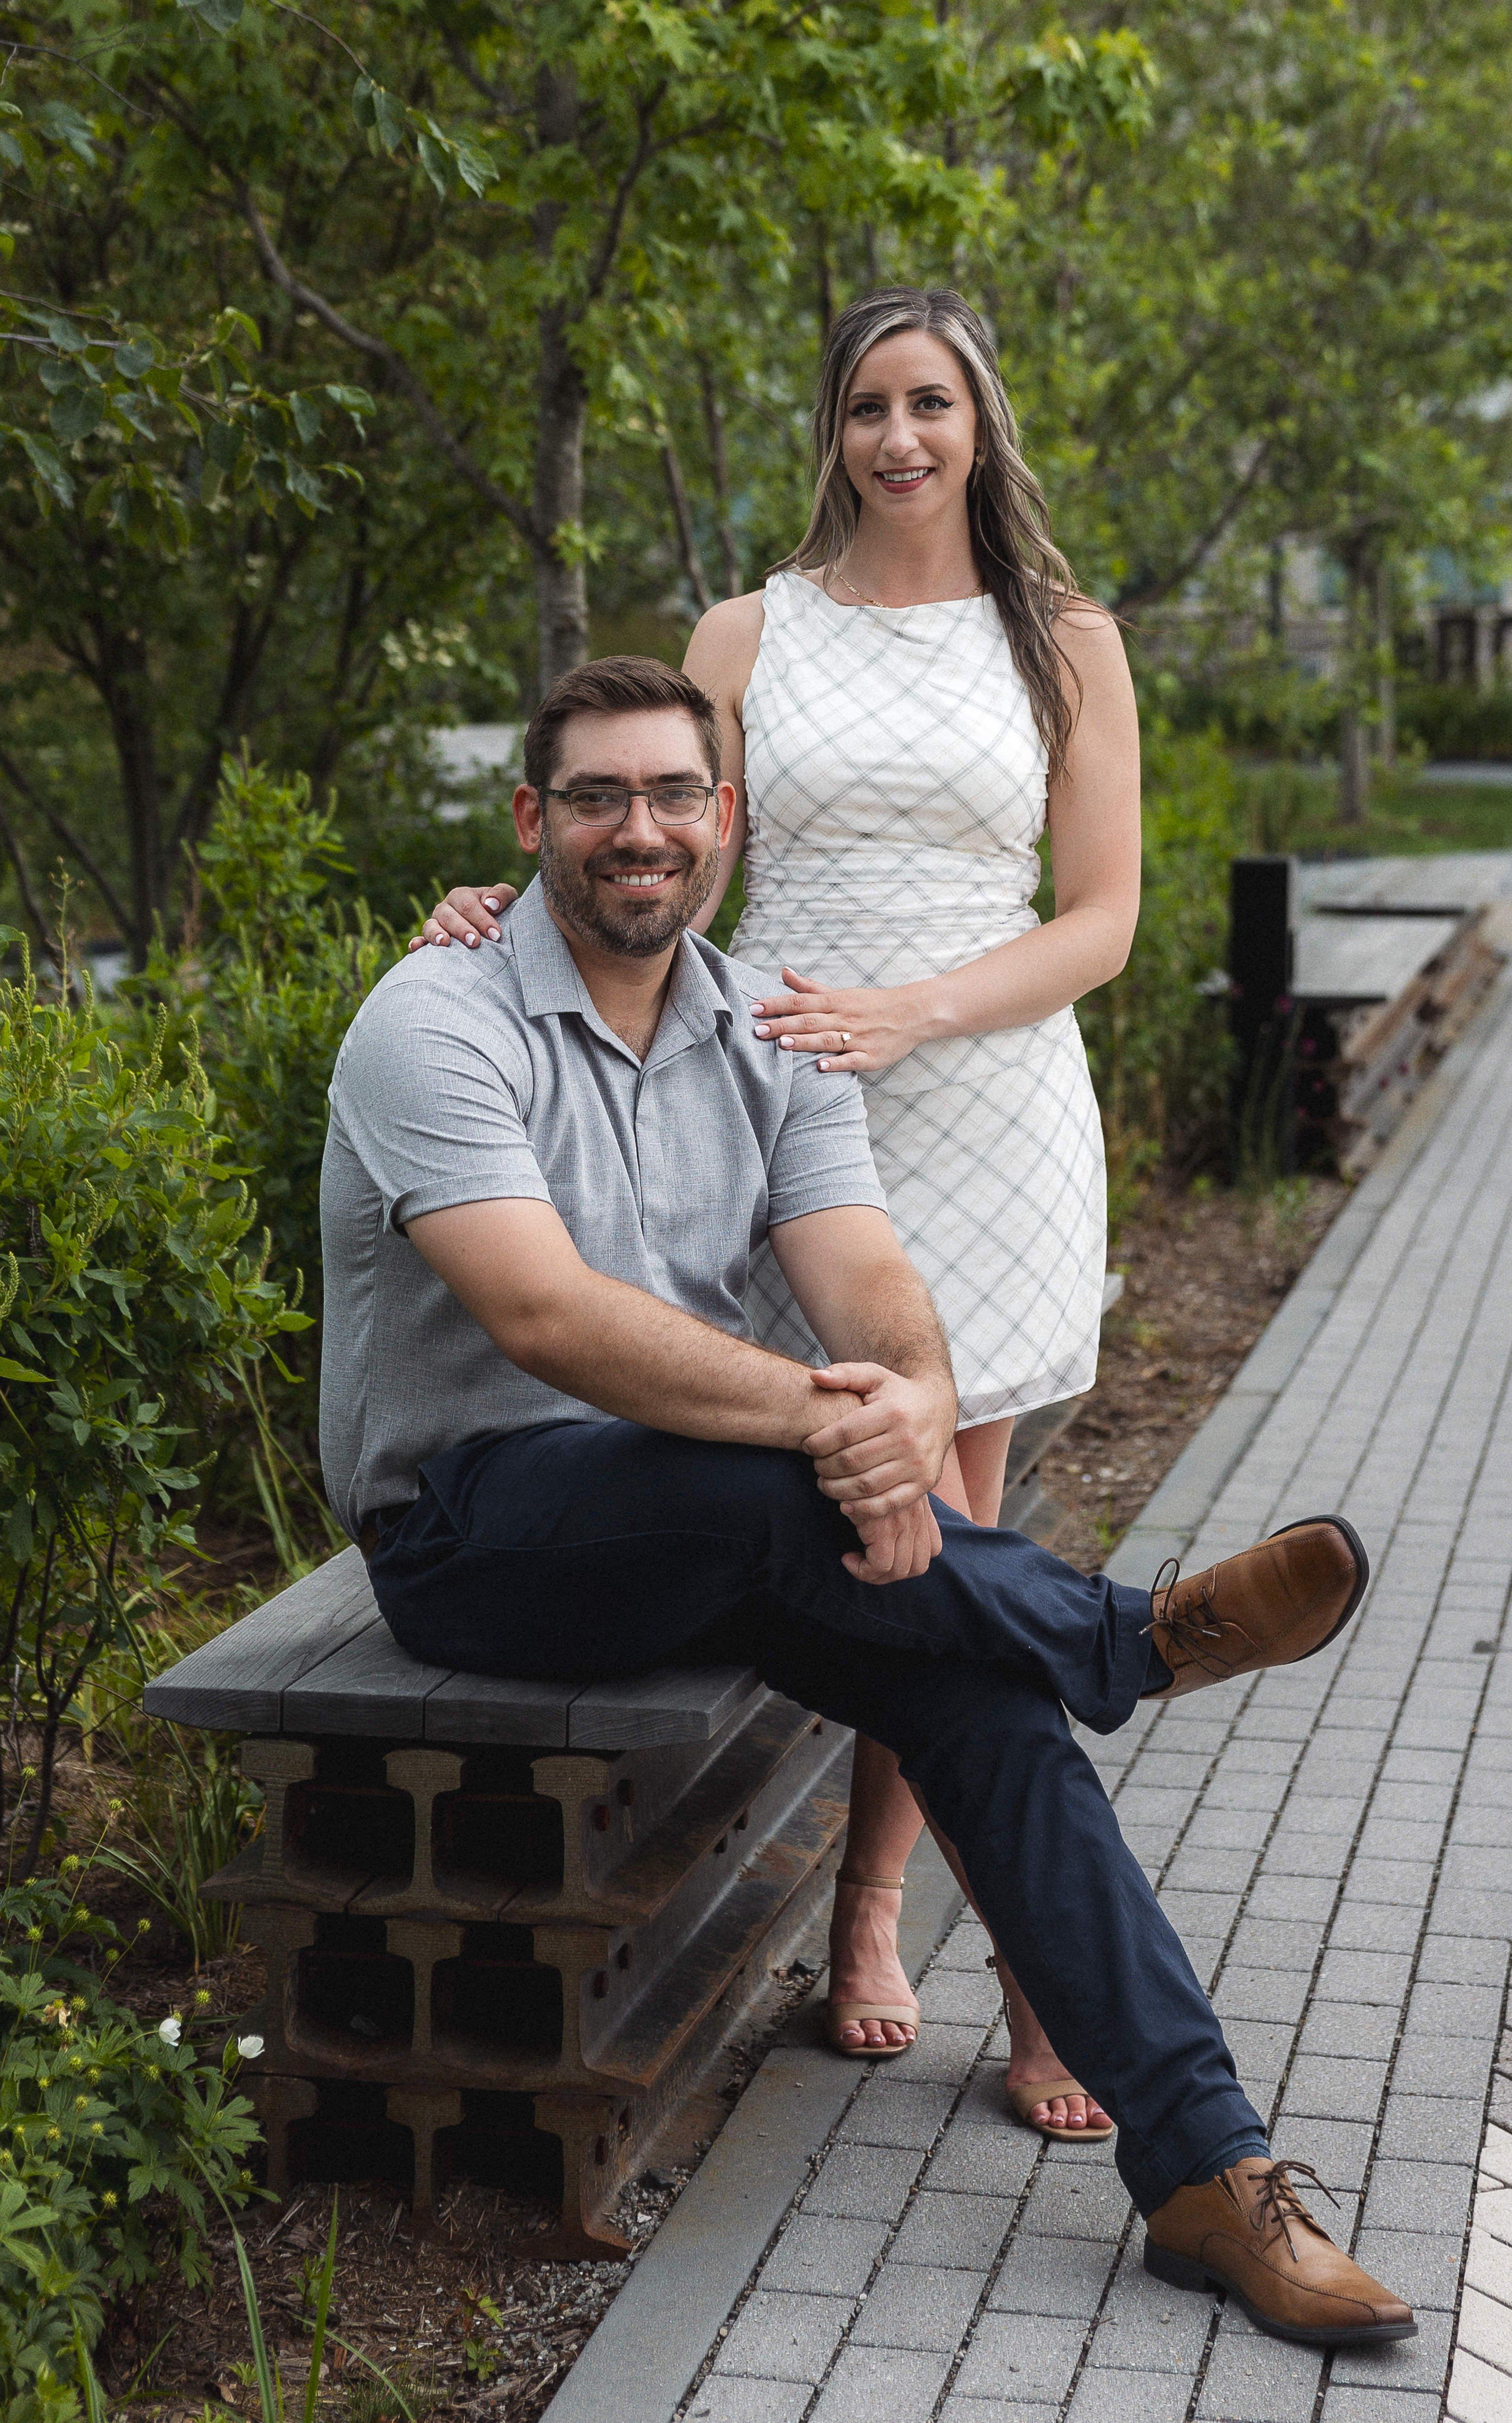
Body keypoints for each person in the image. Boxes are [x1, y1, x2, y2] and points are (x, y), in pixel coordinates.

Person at [320, 655, 1417, 2349]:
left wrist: (899, 1414)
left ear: (725, 820)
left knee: (984, 1698)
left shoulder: (771, 1032)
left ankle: (1212, 2173)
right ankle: (1119, 1634)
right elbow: (544, 1319)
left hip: (725, 1521)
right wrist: (832, 1437)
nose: (637, 828)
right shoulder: (434, 1020)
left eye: (671, 793)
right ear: (535, 819)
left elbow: (876, 1285)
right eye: (597, 796)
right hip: (476, 1538)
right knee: (771, 1478)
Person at [412, 287, 1136, 2138]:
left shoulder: (1064, 640)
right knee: (879, 1510)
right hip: (780, 1094)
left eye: (930, 404)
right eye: (866, 406)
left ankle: (934, 1928)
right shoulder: (752, 628)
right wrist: (494, 914)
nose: (898, 438)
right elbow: (651, 828)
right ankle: (941, 1915)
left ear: (979, 422)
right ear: (833, 430)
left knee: (946, 1507)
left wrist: (914, 1012)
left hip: (981, 1099)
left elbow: (1101, 919)